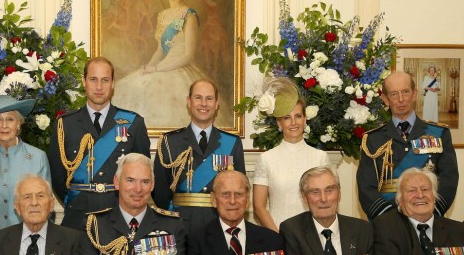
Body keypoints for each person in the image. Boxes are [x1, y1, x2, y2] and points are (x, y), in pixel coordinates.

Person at [48, 57, 151, 231]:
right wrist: (76, 199)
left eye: (105, 80)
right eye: (93, 79)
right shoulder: (65, 125)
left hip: (119, 215)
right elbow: (57, 177)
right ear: (84, 81)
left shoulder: (134, 123)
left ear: (112, 84)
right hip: (78, 215)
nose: (99, 87)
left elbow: (143, 173)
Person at [112, 0, 218, 127]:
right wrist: (149, 67)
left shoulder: (189, 15)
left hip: (180, 69)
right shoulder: (162, 15)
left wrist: (157, 69)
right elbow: (161, 50)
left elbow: (189, 55)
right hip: (161, 67)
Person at [357, 70, 458, 220]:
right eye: (394, 94)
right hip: (388, 225)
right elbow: (366, 187)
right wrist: (393, 220)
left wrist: (427, 213)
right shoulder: (372, 139)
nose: (401, 99)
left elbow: (449, 180)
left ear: (414, 94)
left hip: (429, 220)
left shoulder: (439, 133)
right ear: (385, 99)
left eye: (405, 92)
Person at [153, 79, 245, 234]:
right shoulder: (169, 142)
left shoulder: (232, 143)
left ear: (217, 104)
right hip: (180, 226)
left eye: (209, 99)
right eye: (198, 98)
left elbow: (240, 188)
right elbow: (160, 192)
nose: (204, 104)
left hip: (220, 226)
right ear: (189, 102)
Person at [0, 95, 51, 245]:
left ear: (18, 124)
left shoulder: (38, 157)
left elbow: (45, 207)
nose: (4, 125)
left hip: (27, 243)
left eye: (10, 119)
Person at [253, 78, 330, 231]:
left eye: (298, 116)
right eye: (287, 118)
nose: (293, 122)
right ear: (279, 123)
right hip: (278, 237)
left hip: (313, 238)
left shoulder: (320, 157)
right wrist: (278, 237)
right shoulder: (266, 159)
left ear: (305, 119)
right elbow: (258, 207)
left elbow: (326, 202)